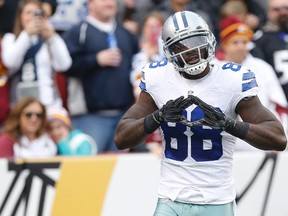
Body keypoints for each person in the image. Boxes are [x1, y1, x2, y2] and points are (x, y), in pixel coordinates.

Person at [114, 11, 287, 215]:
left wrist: (228, 124)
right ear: (169, 51)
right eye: (183, 46)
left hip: (217, 200)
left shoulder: (231, 79)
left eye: (197, 41)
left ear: (209, 39)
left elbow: (278, 138)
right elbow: (121, 139)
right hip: (171, 198)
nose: (193, 50)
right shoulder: (158, 77)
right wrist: (157, 118)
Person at [62, 0, 139, 154]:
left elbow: (138, 63)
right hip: (90, 116)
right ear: (90, 4)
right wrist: (95, 60)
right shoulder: (78, 32)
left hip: (124, 116)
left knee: (120, 171)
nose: (109, 3)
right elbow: (65, 66)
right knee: (89, 172)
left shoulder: (124, 32)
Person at [213, 15, 288, 151]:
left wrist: (279, 137)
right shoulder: (214, 69)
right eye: (235, 42)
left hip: (260, 141)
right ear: (224, 45)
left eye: (244, 42)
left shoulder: (262, 67)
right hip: (226, 144)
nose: (241, 47)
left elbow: (279, 105)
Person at [1, 0, 72, 108]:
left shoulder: (49, 40)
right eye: (28, 13)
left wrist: (52, 37)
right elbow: (10, 62)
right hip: (21, 107)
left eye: (37, 13)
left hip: (49, 105)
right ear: (20, 16)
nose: (32, 17)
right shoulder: (10, 39)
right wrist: (27, 34)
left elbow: (64, 65)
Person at [253, 0, 288, 100]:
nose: (283, 12)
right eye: (276, 9)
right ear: (268, 13)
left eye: (286, 8)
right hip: (279, 100)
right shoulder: (260, 39)